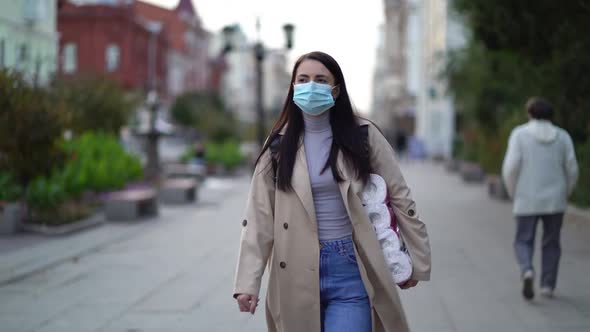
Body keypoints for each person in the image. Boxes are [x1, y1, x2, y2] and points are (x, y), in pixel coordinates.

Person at [233, 51, 431, 332]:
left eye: (320, 80)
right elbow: (258, 217)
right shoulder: (278, 146)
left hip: (350, 267)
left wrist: (416, 261)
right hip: (294, 270)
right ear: (293, 87)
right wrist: (247, 283)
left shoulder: (363, 135)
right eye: (303, 79)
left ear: (336, 90)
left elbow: (400, 197)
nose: (311, 86)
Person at [502, 97, 579, 300]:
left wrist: (513, 192)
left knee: (523, 240)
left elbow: (510, 168)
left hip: (526, 199)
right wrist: (566, 192)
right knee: (552, 242)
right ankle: (547, 285)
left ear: (530, 113)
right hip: (555, 200)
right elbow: (572, 169)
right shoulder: (562, 137)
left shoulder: (519, 134)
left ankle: (527, 270)